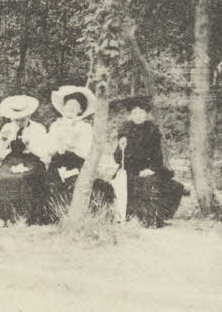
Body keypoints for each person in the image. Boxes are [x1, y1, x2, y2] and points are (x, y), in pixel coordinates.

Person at [113, 99, 187, 227]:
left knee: (161, 184)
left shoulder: (152, 131)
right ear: (130, 116)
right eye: (135, 113)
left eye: (141, 113)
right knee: (126, 183)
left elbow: (157, 154)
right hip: (129, 168)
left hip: (148, 166)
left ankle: (152, 217)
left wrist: (152, 168)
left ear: (146, 115)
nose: (138, 116)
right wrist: (121, 147)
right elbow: (118, 158)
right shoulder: (125, 131)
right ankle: (131, 216)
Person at [45, 85, 115, 220]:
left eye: (75, 105)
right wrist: (58, 147)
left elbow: (87, 150)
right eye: (68, 105)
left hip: (78, 163)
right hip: (58, 162)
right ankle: (57, 215)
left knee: (79, 184)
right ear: (63, 107)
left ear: (80, 110)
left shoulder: (85, 127)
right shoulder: (56, 126)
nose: (71, 108)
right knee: (52, 185)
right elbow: (49, 148)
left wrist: (74, 147)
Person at [0, 95, 52, 225]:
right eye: (16, 119)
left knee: (24, 178)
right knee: (4, 178)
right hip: (12, 158)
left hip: (32, 159)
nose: (19, 122)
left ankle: (26, 216)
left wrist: (30, 144)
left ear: (29, 116)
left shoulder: (38, 128)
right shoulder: (7, 128)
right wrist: (5, 142)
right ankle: (6, 215)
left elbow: (45, 152)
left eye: (22, 119)